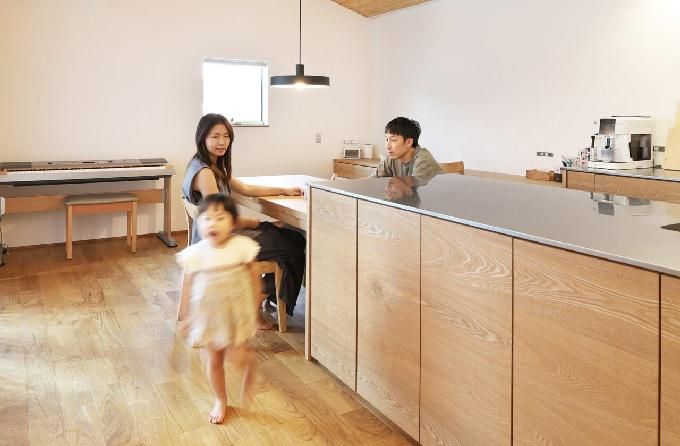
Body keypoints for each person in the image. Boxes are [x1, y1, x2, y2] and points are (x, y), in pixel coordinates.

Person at [181, 113, 306, 323]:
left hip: (218, 237)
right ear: (202, 138)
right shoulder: (205, 173)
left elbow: (246, 188)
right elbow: (221, 222)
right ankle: (258, 298)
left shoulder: (208, 164)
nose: (222, 142)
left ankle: (269, 298)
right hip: (220, 243)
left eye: (226, 136)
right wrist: (261, 223)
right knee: (294, 243)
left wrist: (283, 190)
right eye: (215, 136)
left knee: (289, 236)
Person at [176, 193, 260, 424]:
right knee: (213, 361)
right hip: (208, 316)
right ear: (199, 223)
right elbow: (187, 286)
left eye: (221, 218)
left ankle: (248, 363)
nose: (213, 223)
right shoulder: (195, 253)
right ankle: (220, 400)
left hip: (235, 313)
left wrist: (255, 308)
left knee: (236, 355)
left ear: (233, 223)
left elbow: (254, 277)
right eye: (207, 218)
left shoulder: (241, 246)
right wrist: (186, 317)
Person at [374, 117, 444, 178]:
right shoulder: (392, 158)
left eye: (393, 140)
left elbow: (416, 188)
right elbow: (371, 180)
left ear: (409, 142)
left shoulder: (423, 159)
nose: (387, 146)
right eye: (386, 139)